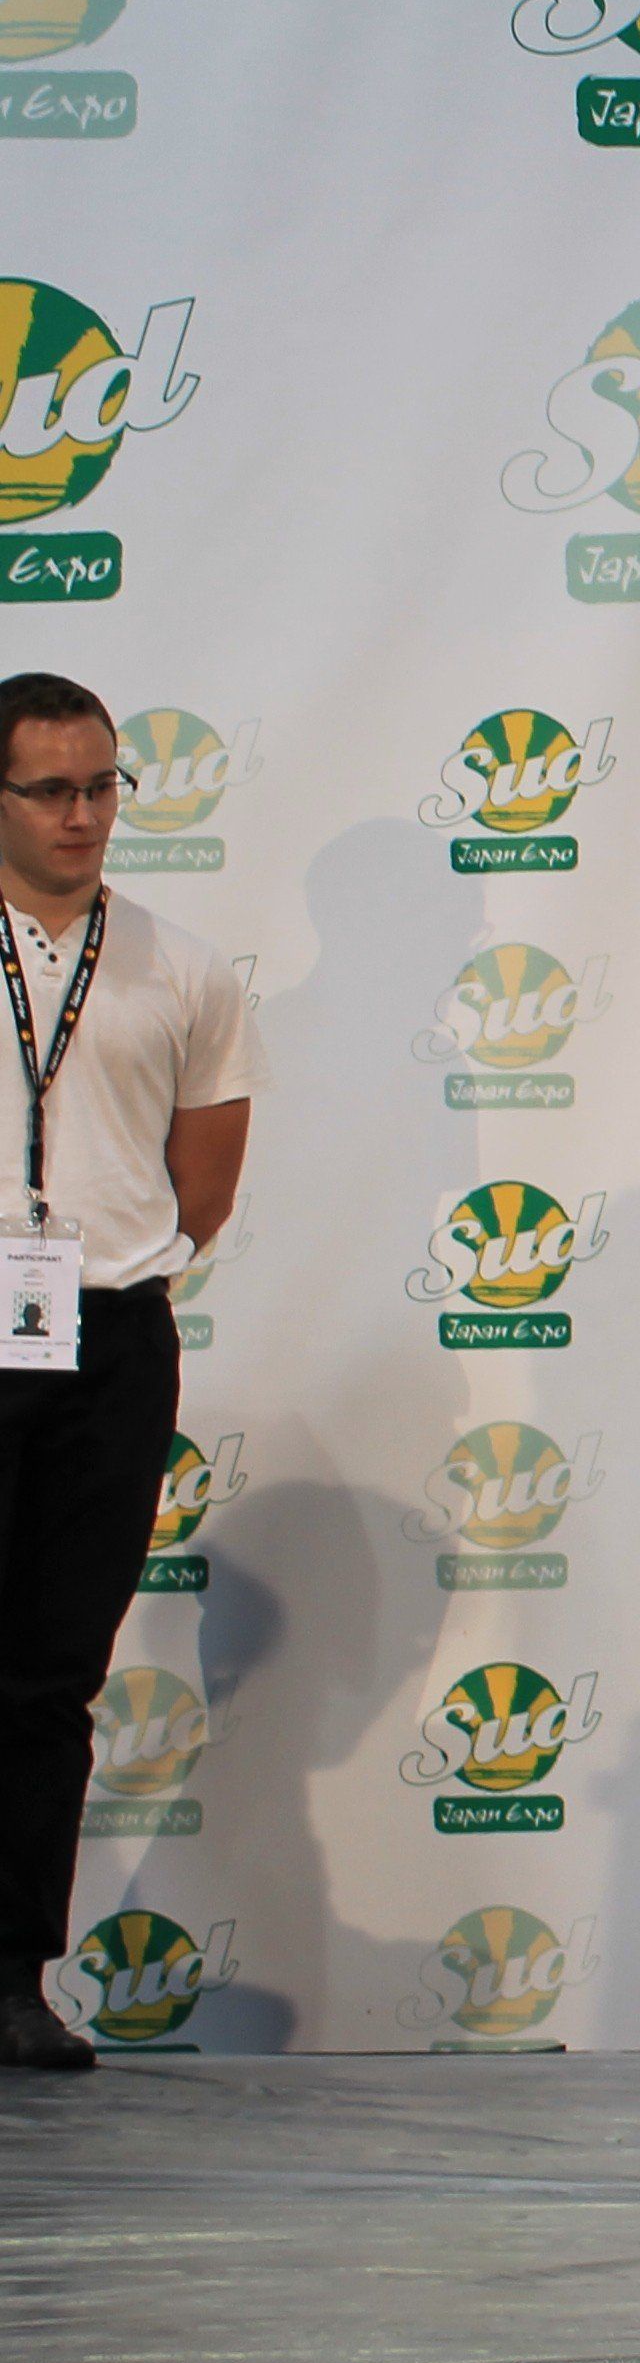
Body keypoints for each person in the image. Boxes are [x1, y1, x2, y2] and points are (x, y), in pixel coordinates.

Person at [0, 674, 259, 2074]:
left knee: (50, 1678)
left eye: (103, 786)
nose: (83, 816)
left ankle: (11, 1975)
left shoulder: (182, 966)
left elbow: (201, 1191)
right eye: (49, 789)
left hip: (107, 1339)